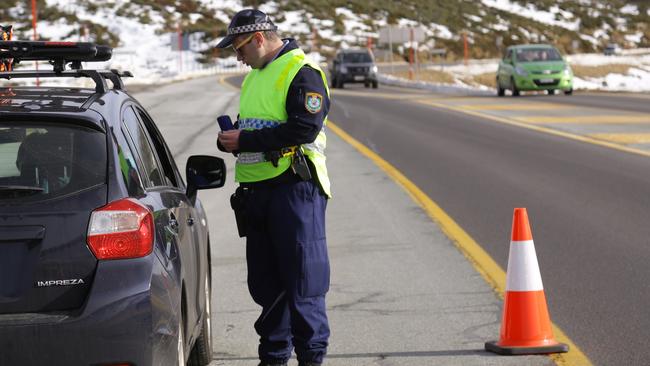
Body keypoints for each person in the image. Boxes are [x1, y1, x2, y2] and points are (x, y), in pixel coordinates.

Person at [216, 9, 331, 366]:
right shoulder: (254, 77)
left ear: (259, 39)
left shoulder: (303, 73)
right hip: (257, 196)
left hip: (294, 190)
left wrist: (246, 139)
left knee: (303, 284)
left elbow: (303, 129)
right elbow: (256, 127)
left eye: (239, 48)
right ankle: (274, 358)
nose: (238, 57)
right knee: (268, 288)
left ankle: (310, 358)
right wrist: (232, 140)